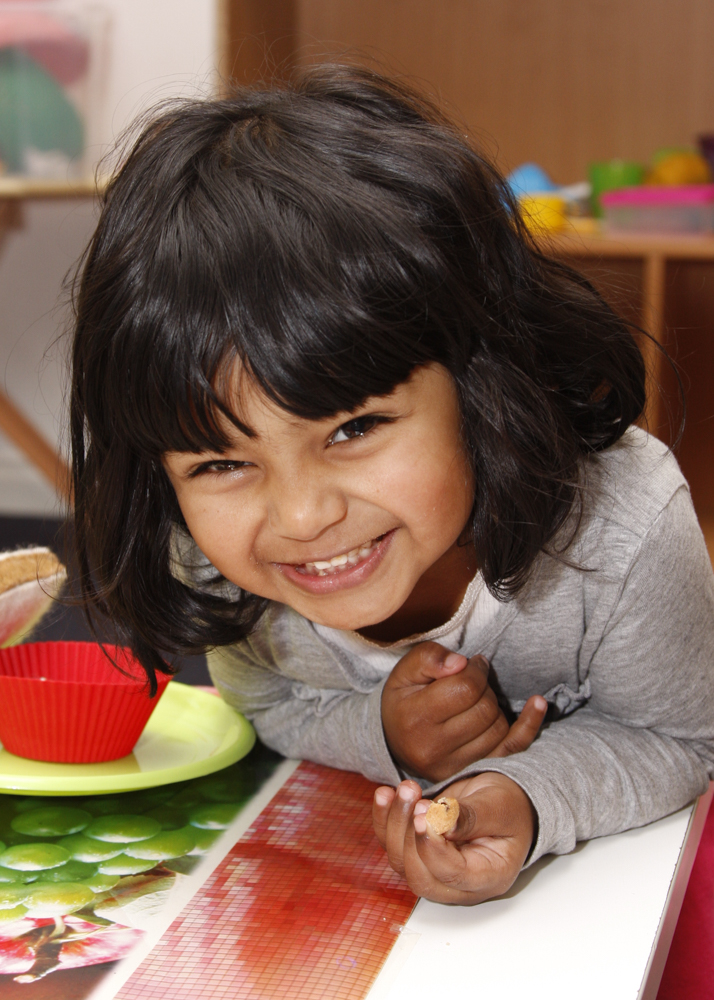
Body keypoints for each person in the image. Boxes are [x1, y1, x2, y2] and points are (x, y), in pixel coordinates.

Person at [70, 65, 714, 906]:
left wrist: (527, 793)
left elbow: (680, 736)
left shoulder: (624, 522)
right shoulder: (209, 547)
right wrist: (385, 733)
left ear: (481, 380)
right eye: (222, 463)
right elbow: (269, 703)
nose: (301, 517)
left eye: (354, 429)